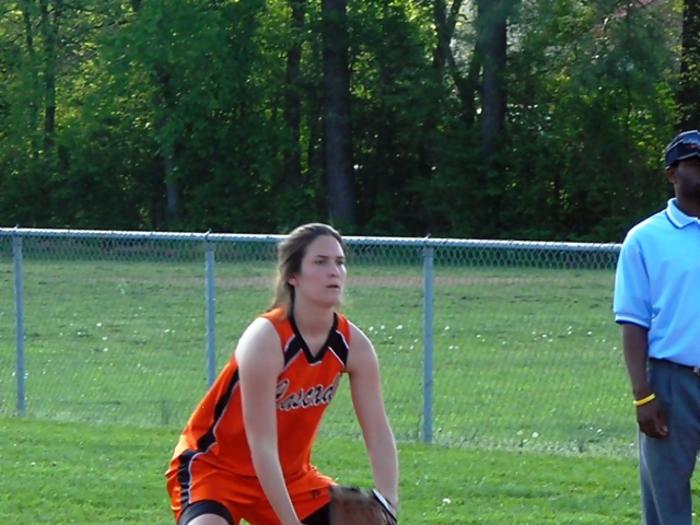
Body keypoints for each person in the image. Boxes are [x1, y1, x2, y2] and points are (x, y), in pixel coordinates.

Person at [165, 223, 399, 525]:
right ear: (293, 276)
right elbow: (261, 445)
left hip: (292, 479)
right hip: (215, 470)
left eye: (340, 262)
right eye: (320, 262)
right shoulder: (266, 339)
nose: (334, 271)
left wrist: (388, 504)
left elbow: (377, 431)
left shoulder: (353, 345)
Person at [614, 129, 700, 525]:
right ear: (672, 174)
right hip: (671, 382)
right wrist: (642, 395)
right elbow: (633, 322)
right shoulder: (645, 238)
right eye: (694, 165)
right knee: (668, 503)